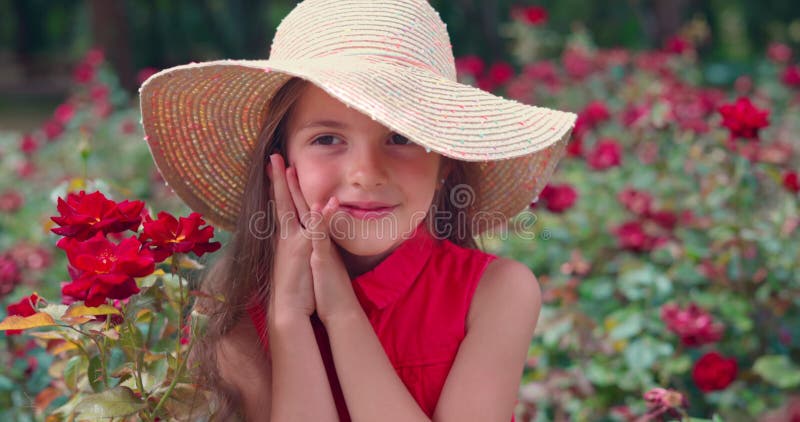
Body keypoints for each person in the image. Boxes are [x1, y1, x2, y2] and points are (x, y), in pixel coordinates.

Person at [138, 0, 576, 420]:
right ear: (280, 161)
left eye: (401, 138)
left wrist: (343, 314)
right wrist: (289, 316)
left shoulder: (497, 292)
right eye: (328, 139)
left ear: (445, 163)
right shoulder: (234, 302)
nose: (366, 174)